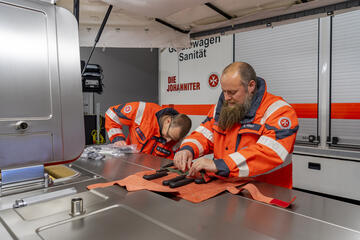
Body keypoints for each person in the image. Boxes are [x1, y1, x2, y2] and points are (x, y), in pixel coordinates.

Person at [173, 62, 299, 189]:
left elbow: (269, 153)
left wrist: (220, 165)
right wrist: (187, 149)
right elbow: (204, 134)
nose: (226, 98)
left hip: (266, 193)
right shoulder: (221, 108)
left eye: (232, 92)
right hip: (226, 189)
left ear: (251, 86)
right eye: (224, 91)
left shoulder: (279, 111)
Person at [105, 101, 192, 159]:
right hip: (129, 162)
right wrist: (117, 138)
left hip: (151, 175)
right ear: (168, 121)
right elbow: (112, 114)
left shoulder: (177, 138)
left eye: (173, 138)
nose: (168, 140)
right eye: (168, 135)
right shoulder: (142, 110)